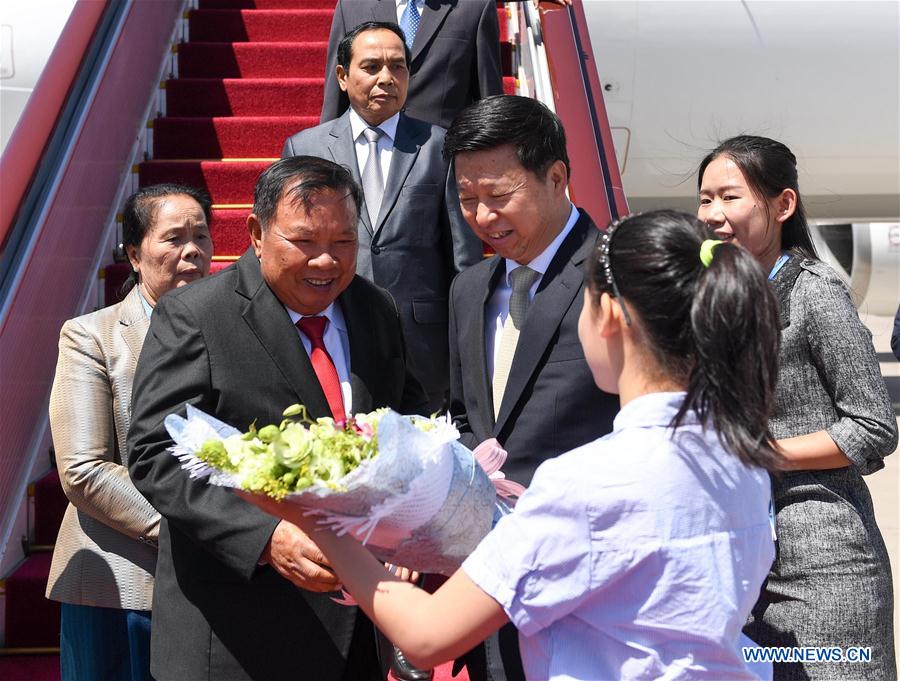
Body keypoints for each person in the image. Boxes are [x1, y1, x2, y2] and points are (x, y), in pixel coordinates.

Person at [240, 209, 784, 681]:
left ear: (612, 316)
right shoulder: (738, 458)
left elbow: (428, 635)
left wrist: (316, 519)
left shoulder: (588, 482)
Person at [126, 157, 428, 681]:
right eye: (305, 241)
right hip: (237, 638)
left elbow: (411, 422)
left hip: (359, 630)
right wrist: (265, 537)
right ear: (256, 233)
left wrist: (413, 522)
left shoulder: (375, 309)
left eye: (343, 242)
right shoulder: (196, 316)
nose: (326, 262)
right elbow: (156, 455)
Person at [698, 135, 898, 680]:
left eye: (730, 198)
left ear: (783, 205)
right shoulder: (712, 301)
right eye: (705, 199)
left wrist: (759, 454)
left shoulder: (815, 294)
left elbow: (874, 427)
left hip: (823, 564)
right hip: (742, 568)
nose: (714, 214)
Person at [442, 94, 620, 680]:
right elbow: (466, 415)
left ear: (557, 177)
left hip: (594, 575)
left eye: (499, 196)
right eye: (468, 200)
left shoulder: (618, 272)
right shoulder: (468, 288)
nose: (483, 217)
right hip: (491, 572)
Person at [46, 184, 213, 681]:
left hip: (213, 577)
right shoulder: (90, 336)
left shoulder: (229, 328)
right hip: (119, 580)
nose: (192, 251)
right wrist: (191, 528)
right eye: (174, 238)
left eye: (202, 237)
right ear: (135, 254)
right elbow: (83, 470)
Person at [283, 21, 483, 413]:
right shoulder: (305, 147)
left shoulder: (439, 146)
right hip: (331, 325)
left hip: (421, 342)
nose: (387, 78)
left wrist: (466, 345)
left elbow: (463, 256)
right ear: (342, 76)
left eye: (398, 67)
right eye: (372, 67)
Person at [321, 0, 503, 129]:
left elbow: (488, 97)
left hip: (443, 158)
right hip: (368, 147)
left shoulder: (475, 6)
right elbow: (336, 92)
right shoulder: (352, 5)